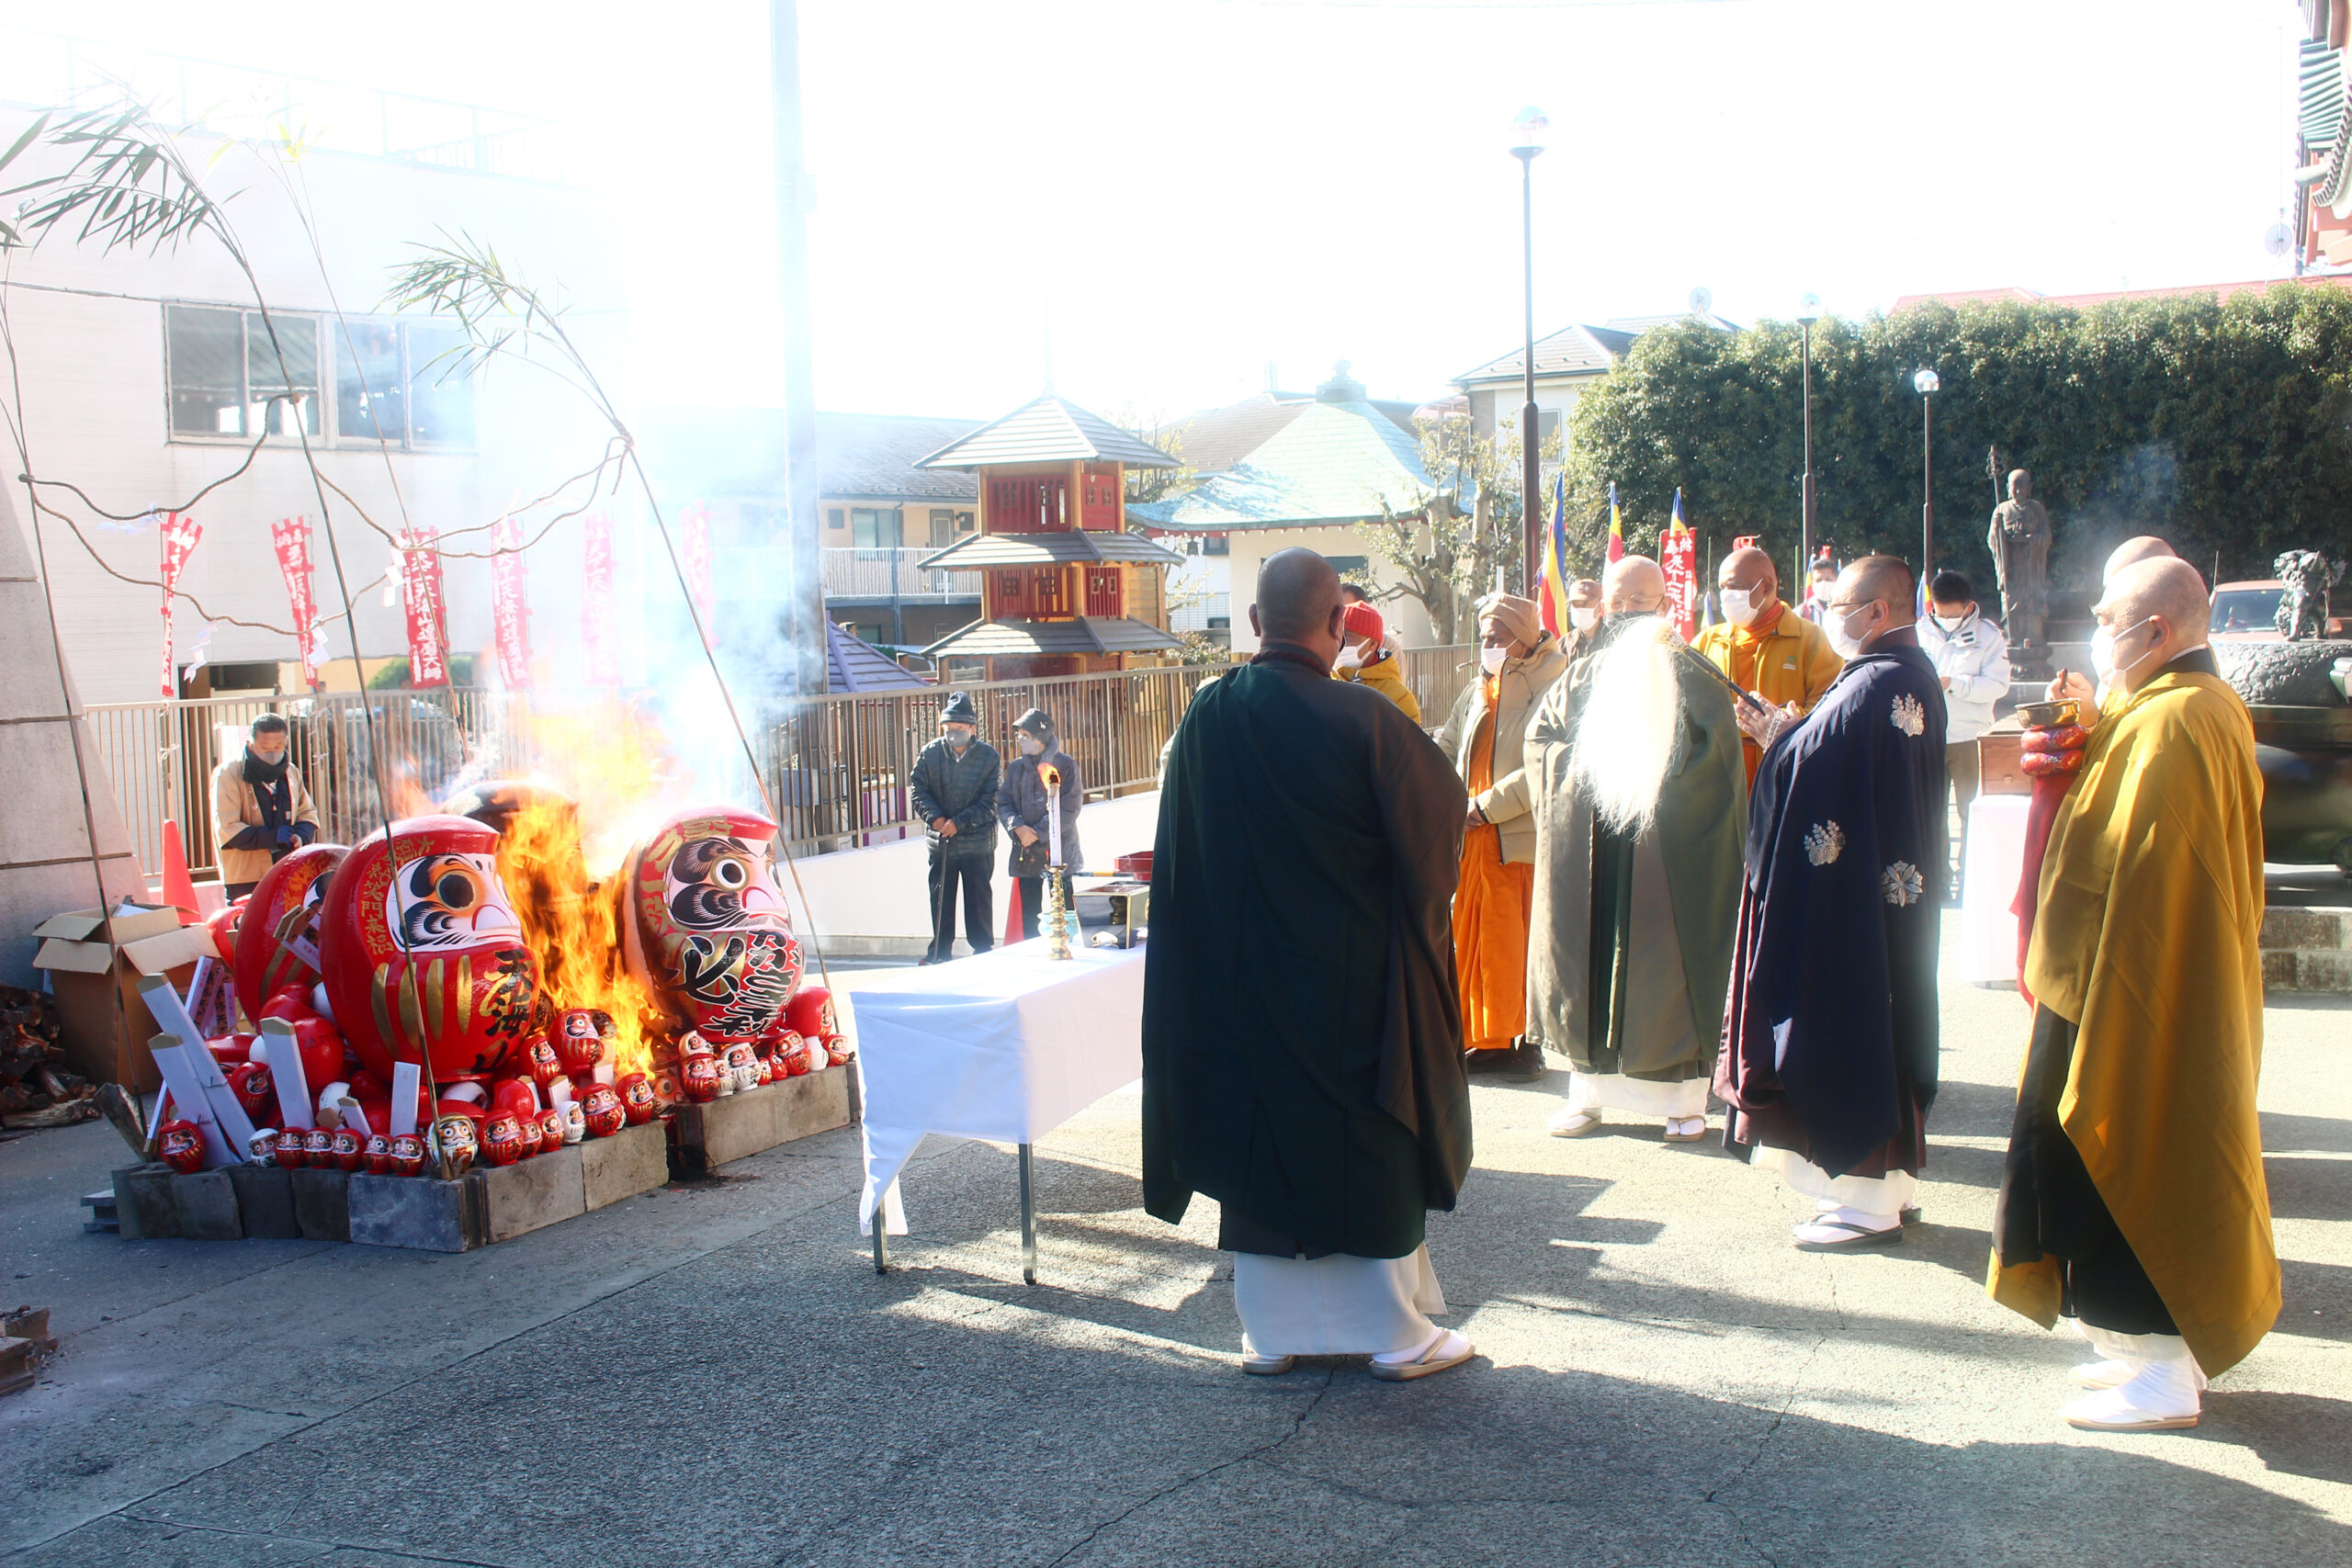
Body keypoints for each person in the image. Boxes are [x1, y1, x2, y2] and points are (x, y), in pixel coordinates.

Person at [1144, 547, 1475, 1382]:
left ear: (1256, 623)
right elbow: (1441, 838)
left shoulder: (1203, 718)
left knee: (1261, 1136)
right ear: (1338, 625)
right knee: (1358, 1138)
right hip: (1349, 986)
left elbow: (1177, 860)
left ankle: (1271, 1330)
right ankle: (1395, 1334)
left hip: (1240, 988)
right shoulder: (1363, 720)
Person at [1988, 557, 2276, 1432]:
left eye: (2109, 616)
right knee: (2095, 1150)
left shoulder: (2179, 723)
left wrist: (2117, 991)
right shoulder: (2166, 708)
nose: (2098, 628)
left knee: (2135, 1142)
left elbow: (2152, 879)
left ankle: (2160, 1366)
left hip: (2135, 984)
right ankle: (2149, 1349)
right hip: (2103, 971)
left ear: (2157, 631)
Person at [1716, 557, 1948, 1249]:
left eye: (1838, 604)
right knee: (1889, 1022)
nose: (1826, 616)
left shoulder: (1875, 687)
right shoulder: (1908, 679)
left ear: (1878, 613)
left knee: (1848, 1028)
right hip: (1893, 899)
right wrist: (1794, 732)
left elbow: (1815, 765)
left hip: (1853, 908)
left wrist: (1778, 737)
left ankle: (1862, 1199)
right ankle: (1889, 1188)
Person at [1525, 557, 1746, 1143]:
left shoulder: (1693, 674)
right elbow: (1541, 740)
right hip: (1592, 843)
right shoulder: (1582, 673)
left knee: (1664, 963)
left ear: (1665, 606)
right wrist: (1596, 771)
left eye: (1638, 603)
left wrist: (1648, 774)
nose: (1624, 614)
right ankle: (1588, 1094)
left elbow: (1717, 766)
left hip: (1664, 852)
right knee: (1585, 958)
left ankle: (1682, 1100)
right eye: (1616, 603)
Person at [1435, 592, 1568, 1079]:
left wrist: (1486, 807)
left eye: (1498, 637)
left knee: (1517, 946)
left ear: (1525, 638)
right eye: (1484, 637)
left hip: (1517, 836)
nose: (1487, 646)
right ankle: (1486, 1040)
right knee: (1474, 942)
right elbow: (1448, 741)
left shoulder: (1554, 681)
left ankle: (1524, 1045)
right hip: (1469, 835)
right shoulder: (1479, 686)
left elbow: (1544, 763)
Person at [1692, 546, 1844, 784]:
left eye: (1734, 586)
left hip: (1783, 774)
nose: (1726, 595)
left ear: (1766, 587)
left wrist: (1779, 724)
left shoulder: (1810, 639)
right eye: (1723, 587)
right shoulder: (1707, 641)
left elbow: (1832, 709)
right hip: (1720, 780)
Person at [1917, 570, 2012, 896]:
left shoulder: (1989, 637)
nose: (1946, 620)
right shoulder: (1919, 631)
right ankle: (1938, 879)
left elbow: (1998, 685)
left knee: (1970, 811)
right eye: (1940, 614)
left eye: (1953, 615)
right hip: (1928, 738)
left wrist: (1955, 685)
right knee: (1931, 814)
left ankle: (1971, 877)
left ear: (1968, 606)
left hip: (1971, 739)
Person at [909, 692, 1001, 964]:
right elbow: (918, 790)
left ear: (972, 729)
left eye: (959, 730)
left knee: (978, 902)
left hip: (977, 843)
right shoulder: (930, 753)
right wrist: (936, 820)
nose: (953, 735)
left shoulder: (988, 757)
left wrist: (958, 823)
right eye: (948, 729)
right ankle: (939, 952)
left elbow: (991, 800)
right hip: (941, 844)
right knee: (940, 901)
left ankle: (983, 951)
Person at [210, 714, 320, 898]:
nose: (272, 753)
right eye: (265, 747)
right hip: (246, 878)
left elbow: (308, 813)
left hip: (288, 871)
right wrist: (271, 837)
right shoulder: (227, 774)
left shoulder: (291, 771)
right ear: (250, 744)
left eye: (278, 747)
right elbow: (227, 828)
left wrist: (301, 835)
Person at [997, 706, 1080, 942]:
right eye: (1019, 735)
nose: (1021, 740)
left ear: (1040, 737)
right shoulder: (1015, 767)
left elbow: (1069, 807)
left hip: (1060, 849)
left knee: (1064, 913)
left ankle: (1066, 948)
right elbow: (1004, 802)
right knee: (1029, 915)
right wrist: (1018, 828)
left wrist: (1039, 832)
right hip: (1026, 852)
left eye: (1027, 735)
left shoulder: (1065, 765)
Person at [1333, 601, 1421, 721]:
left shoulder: (1400, 698)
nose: (1339, 643)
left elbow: (1410, 739)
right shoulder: (1325, 680)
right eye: (1337, 635)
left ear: (1372, 644)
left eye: (1348, 637)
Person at [1794, 558, 1839, 625]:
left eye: (1828, 579)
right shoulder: (1800, 612)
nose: (1824, 583)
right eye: (1819, 580)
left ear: (1837, 581)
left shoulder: (1847, 609)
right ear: (1812, 584)